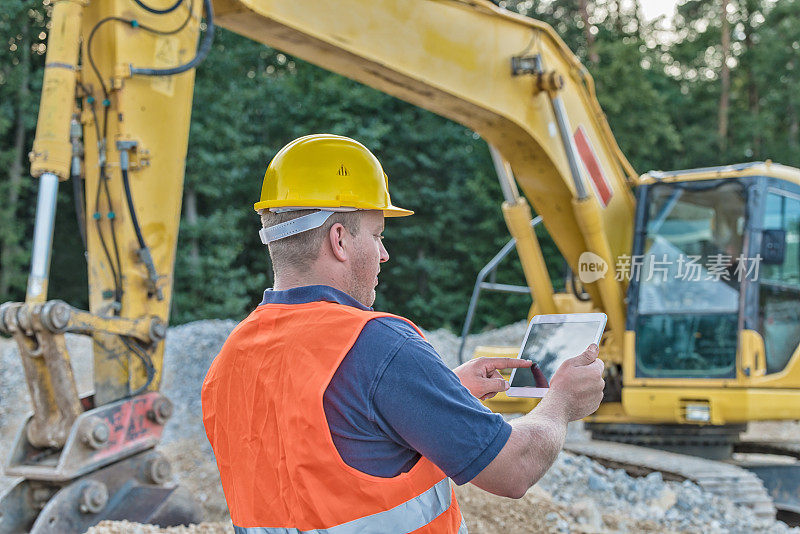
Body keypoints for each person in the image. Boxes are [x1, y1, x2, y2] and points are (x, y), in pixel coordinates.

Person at [201, 134, 605, 534]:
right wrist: (562, 401)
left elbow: (322, 444)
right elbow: (513, 469)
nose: (384, 253)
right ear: (339, 239)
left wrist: (441, 393)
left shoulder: (228, 362)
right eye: (377, 235)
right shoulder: (381, 348)